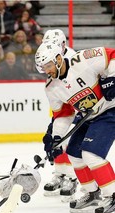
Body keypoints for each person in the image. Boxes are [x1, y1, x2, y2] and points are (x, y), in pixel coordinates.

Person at [35, 42, 115, 213]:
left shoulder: (82, 60)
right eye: (43, 67)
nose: (46, 70)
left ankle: (113, 196)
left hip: (110, 110)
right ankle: (93, 193)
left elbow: (111, 55)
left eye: (47, 65)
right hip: (89, 115)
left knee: (91, 155)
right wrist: (56, 138)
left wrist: (113, 76)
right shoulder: (52, 87)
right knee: (74, 154)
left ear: (57, 59)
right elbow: (63, 114)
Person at [40, 29, 78, 202]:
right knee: (57, 139)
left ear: (62, 45)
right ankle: (60, 174)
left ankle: (72, 177)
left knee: (72, 142)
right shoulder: (50, 58)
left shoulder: (73, 58)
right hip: (62, 103)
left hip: (78, 104)